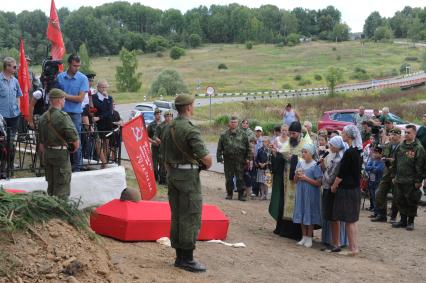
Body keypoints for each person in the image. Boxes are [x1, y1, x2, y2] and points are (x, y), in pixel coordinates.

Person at [161, 93, 212, 272]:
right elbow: (207, 160)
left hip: (173, 175)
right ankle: (187, 259)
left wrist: (172, 171)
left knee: (177, 216)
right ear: (189, 107)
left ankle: (179, 257)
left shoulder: (168, 128)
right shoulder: (190, 129)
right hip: (189, 178)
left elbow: (164, 156)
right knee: (191, 215)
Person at [273, 121, 312, 240]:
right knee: (286, 203)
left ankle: (298, 233)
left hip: (299, 177)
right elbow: (283, 152)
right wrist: (278, 154)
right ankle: (285, 230)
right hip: (287, 177)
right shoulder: (289, 142)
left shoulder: (307, 142)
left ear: (299, 133)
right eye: (290, 133)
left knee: (298, 203)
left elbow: (310, 157)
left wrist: (294, 158)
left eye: (293, 133)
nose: (291, 136)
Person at [38, 89, 80, 199]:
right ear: (59, 100)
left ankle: (50, 209)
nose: (64, 101)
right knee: (62, 186)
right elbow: (75, 142)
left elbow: (41, 145)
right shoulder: (62, 116)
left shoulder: (42, 117)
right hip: (60, 154)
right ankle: (59, 212)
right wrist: (73, 147)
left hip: (47, 154)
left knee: (51, 186)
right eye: (63, 99)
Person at [331, 125, 362, 256]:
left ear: (349, 136)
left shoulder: (350, 152)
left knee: (349, 221)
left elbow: (342, 173)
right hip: (355, 189)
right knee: (352, 221)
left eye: (343, 132)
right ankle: (353, 247)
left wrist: (334, 185)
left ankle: (353, 248)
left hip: (347, 189)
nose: (341, 134)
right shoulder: (357, 151)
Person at [56, 54, 89, 172]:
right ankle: (63, 167)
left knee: (76, 140)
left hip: (75, 114)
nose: (77, 68)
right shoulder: (60, 77)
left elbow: (80, 99)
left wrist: (64, 96)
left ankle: (77, 168)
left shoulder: (83, 78)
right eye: (75, 65)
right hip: (61, 113)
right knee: (60, 140)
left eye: (78, 66)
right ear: (69, 64)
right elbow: (55, 96)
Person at [392, 125, 425, 231]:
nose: (406, 134)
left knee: (411, 201)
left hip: (411, 181)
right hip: (400, 179)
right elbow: (395, 162)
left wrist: (418, 181)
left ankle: (410, 222)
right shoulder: (401, 146)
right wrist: (394, 175)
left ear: (414, 134)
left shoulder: (418, 148)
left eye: (409, 133)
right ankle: (403, 220)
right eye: (405, 132)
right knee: (400, 200)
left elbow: (420, 166)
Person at [320, 136, 348, 252]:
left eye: (331, 145)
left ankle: (335, 243)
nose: (329, 147)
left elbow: (331, 178)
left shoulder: (338, 159)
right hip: (330, 188)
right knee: (331, 217)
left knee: (333, 217)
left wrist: (324, 172)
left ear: (336, 146)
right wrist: (323, 166)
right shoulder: (337, 156)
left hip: (331, 189)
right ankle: (334, 242)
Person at [293, 143, 323, 248]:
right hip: (301, 192)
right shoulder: (300, 164)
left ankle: (309, 237)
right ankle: (304, 236)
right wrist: (297, 175)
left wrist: (306, 178)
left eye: (306, 152)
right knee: (302, 212)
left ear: (311, 153)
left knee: (309, 214)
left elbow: (319, 183)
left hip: (311, 194)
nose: (303, 154)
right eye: (302, 151)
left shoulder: (315, 165)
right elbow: (295, 180)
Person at [217, 116, 251, 201]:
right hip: (228, 160)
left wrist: (248, 158)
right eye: (232, 122)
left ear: (237, 123)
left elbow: (248, 148)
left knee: (240, 178)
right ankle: (229, 193)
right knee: (229, 178)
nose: (233, 124)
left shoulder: (243, 134)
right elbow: (219, 148)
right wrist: (220, 158)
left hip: (240, 160)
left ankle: (241, 194)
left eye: (235, 122)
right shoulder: (224, 135)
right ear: (229, 123)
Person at [371, 128, 402, 223]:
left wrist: (392, 160)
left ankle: (393, 216)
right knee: (379, 192)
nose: (392, 137)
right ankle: (382, 214)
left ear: (399, 136)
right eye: (391, 135)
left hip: (397, 172)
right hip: (387, 172)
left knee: (396, 195)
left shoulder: (402, 147)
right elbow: (383, 155)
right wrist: (383, 158)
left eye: (395, 135)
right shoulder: (388, 145)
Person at [0, 57, 23, 143]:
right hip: (2, 117)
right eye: (14, 67)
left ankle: (10, 156)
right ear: (7, 67)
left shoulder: (15, 81)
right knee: (2, 142)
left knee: (11, 141)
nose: (16, 68)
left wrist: (18, 108)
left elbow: (18, 95)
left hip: (14, 116)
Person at [92, 80, 114, 162]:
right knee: (98, 142)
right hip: (97, 123)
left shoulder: (109, 98)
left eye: (105, 87)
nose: (104, 89)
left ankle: (105, 161)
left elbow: (110, 112)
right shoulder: (94, 97)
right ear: (98, 88)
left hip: (106, 122)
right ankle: (101, 160)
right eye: (102, 87)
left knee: (106, 144)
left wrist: (106, 98)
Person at [365, 146, 384, 217]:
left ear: (381, 154)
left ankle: (379, 213)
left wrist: (371, 168)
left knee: (377, 198)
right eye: (374, 153)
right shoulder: (372, 160)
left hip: (377, 182)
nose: (375, 154)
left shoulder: (381, 161)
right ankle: (375, 212)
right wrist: (372, 168)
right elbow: (366, 167)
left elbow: (379, 170)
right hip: (371, 181)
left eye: (377, 153)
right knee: (373, 197)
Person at [155, 110, 174, 185]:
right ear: (165, 117)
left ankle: (168, 181)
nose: (169, 118)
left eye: (170, 116)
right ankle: (162, 181)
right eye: (167, 116)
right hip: (162, 149)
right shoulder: (160, 126)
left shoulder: (174, 125)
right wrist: (159, 141)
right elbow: (155, 136)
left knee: (170, 166)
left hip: (171, 149)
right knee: (163, 165)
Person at [147, 108, 162, 181]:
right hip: (155, 147)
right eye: (157, 114)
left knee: (162, 165)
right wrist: (152, 142)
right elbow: (146, 136)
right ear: (154, 115)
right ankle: (155, 179)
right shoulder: (151, 125)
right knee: (155, 166)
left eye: (159, 114)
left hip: (162, 148)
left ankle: (161, 179)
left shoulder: (163, 124)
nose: (158, 116)